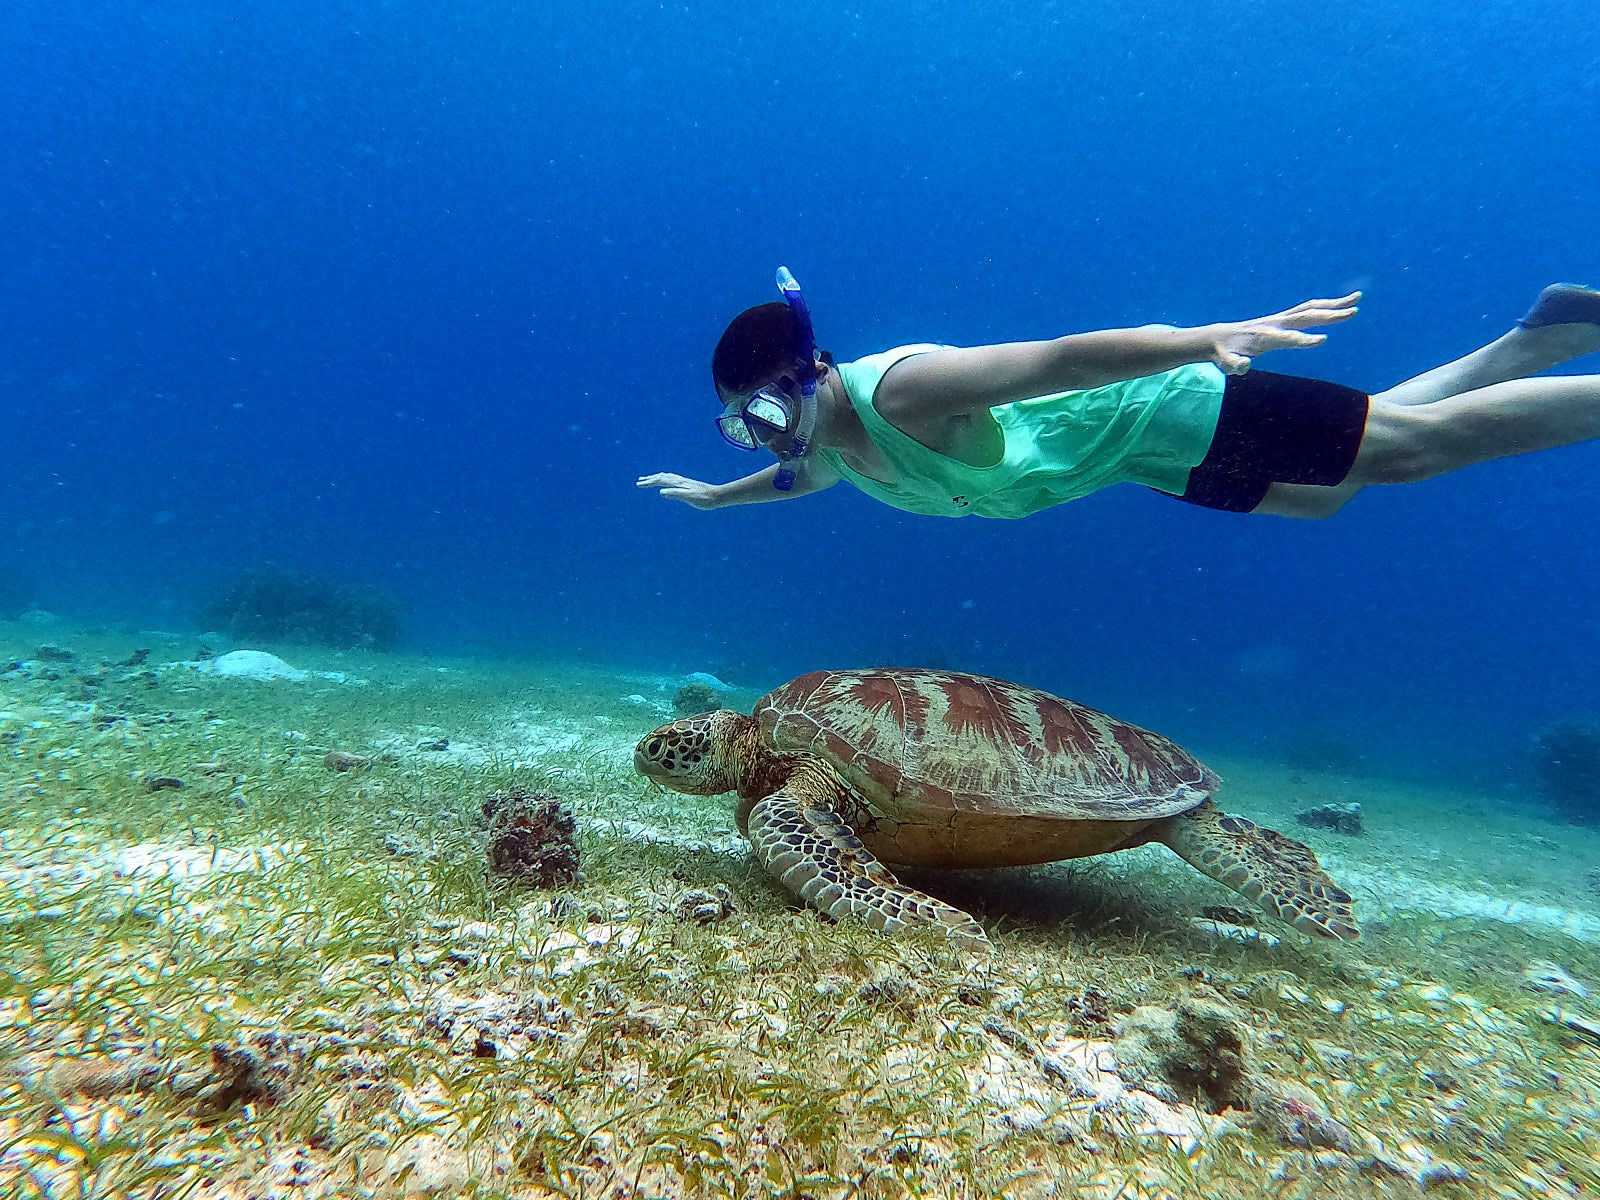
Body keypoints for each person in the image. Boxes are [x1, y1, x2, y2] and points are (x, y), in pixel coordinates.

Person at [638, 270, 1600, 519]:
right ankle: (1541, 337)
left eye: (767, 409)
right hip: (1147, 459)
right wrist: (712, 499)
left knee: (1413, 452)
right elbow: (803, 485)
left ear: (811, 372)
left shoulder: (904, 391)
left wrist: (1205, 339)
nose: (764, 438)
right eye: (741, 427)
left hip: (1166, 406)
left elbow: (1061, 359)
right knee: (1331, 490)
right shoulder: (836, 447)